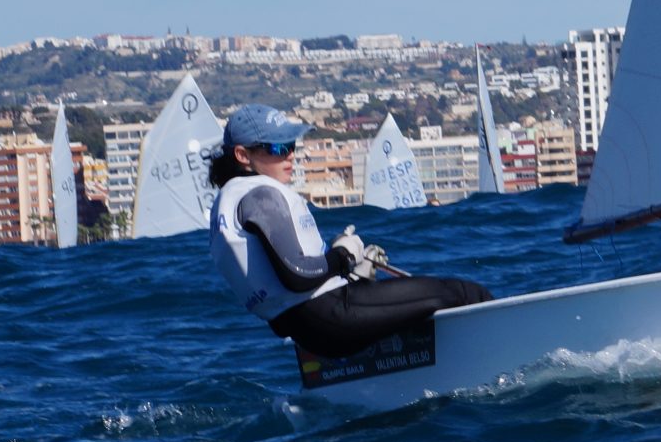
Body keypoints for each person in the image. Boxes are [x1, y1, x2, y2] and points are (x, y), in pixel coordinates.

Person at [207, 105, 491, 358]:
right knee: (462, 292)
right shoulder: (260, 195)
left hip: (306, 332)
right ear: (243, 155)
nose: (290, 155)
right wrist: (344, 256)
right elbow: (297, 275)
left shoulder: (228, 203)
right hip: (332, 316)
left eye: (292, 145)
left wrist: (350, 273)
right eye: (278, 148)